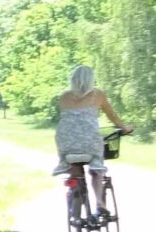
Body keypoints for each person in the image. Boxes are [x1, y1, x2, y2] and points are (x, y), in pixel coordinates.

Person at [53, 65, 130, 211]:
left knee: (75, 171)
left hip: (65, 141)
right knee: (96, 170)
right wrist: (125, 128)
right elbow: (112, 116)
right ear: (91, 79)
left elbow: (71, 120)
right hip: (90, 141)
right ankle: (100, 203)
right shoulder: (97, 94)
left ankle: (74, 203)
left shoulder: (64, 96)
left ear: (73, 79)